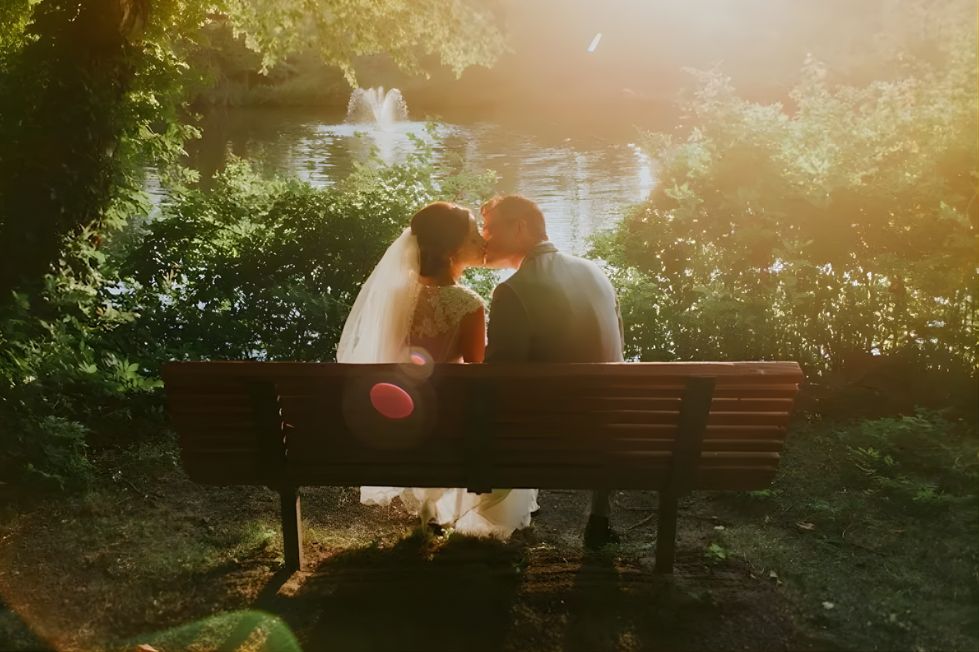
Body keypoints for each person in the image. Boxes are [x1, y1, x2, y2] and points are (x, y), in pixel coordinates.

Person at [336, 201, 539, 538]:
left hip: (402, 423)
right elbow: (478, 375)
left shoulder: (395, 297)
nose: (483, 241)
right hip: (449, 427)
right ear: (450, 251)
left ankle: (431, 512)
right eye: (474, 236)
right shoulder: (468, 304)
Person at [481, 195, 625, 549]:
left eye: (490, 228)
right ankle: (599, 516)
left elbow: (497, 376)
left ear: (520, 228)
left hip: (552, 435)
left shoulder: (513, 290)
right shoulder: (596, 272)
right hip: (609, 430)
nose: (485, 239)